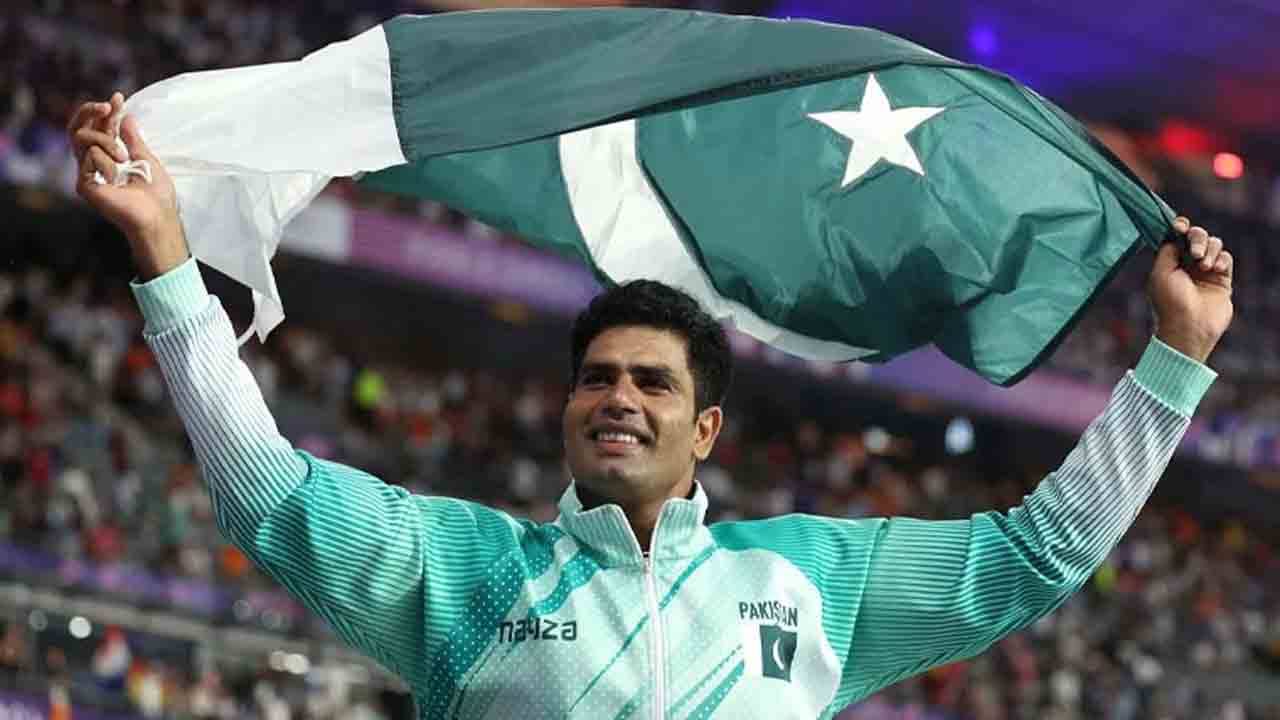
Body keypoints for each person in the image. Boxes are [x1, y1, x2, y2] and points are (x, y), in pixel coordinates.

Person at [70, 92, 1236, 719]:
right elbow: (267, 493)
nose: (616, 397)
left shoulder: (813, 581)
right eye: (595, 377)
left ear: (704, 429)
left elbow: (1035, 553)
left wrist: (1175, 357)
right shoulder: (467, 571)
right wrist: (168, 260)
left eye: (650, 381)